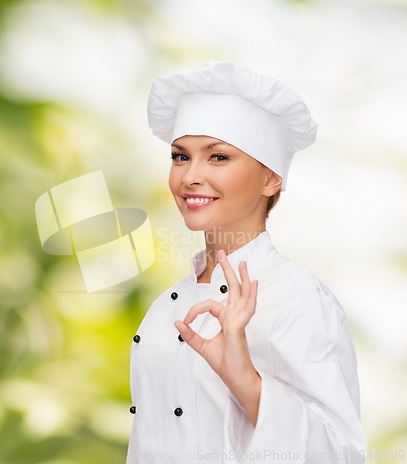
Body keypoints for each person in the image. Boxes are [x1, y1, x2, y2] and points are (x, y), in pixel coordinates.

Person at [126, 61, 367, 463]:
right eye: (180, 156)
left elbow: (339, 454)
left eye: (218, 158)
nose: (190, 177)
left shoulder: (297, 298)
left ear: (271, 178)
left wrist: (245, 382)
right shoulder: (168, 304)